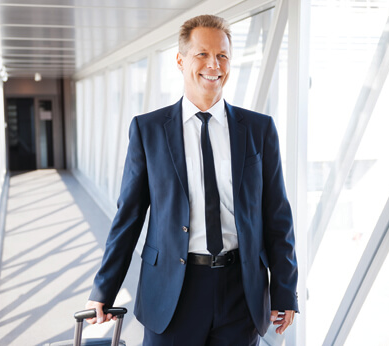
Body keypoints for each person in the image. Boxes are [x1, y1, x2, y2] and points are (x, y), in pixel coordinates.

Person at [86, 14, 298, 346]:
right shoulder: (148, 130)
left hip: (241, 293)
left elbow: (277, 217)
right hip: (172, 291)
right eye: (202, 54)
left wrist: (285, 290)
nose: (214, 64)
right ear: (181, 60)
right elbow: (128, 217)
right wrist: (104, 288)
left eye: (222, 55)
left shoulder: (259, 130)